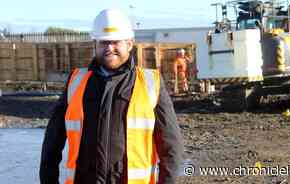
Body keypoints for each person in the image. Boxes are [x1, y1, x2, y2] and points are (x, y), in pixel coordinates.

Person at [40, 9, 184, 184]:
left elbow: (171, 147)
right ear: (95, 44)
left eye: (115, 42)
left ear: (130, 44)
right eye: (103, 42)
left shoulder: (150, 83)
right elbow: (52, 142)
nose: (109, 48)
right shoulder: (76, 82)